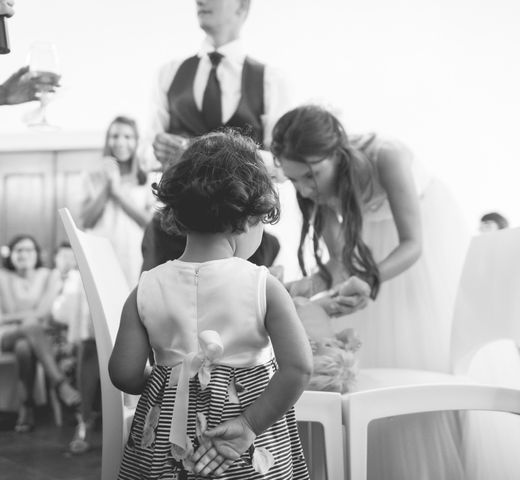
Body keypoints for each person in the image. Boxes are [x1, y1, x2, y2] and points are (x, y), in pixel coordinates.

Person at [271, 105, 469, 479]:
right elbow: (341, 262)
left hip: (419, 246)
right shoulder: (316, 189)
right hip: (371, 253)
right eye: (295, 180)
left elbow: (412, 244)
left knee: (421, 349)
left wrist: (369, 278)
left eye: (311, 176)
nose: (305, 189)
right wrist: (302, 286)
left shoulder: (386, 156)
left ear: (336, 156)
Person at [109, 132, 312, 479]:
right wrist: (249, 423)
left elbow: (124, 373)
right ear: (251, 216)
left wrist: (168, 383)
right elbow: (299, 369)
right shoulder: (265, 286)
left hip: (167, 450)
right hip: (240, 449)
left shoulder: (146, 288)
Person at [140, 0, 296, 274]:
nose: (200, 1)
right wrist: (157, 151)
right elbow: (143, 155)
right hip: (174, 231)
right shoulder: (168, 74)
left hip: (242, 235)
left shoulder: (271, 80)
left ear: (241, 8)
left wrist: (197, 150)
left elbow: (284, 164)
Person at [0, 234, 80, 432]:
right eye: (18, 250)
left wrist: (18, 318)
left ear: (37, 254)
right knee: (31, 325)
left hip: (36, 338)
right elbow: (10, 314)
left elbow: (44, 312)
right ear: (11, 255)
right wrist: (27, 318)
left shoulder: (48, 275)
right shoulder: (2, 276)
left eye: (29, 249)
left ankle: (26, 408)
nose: (23, 254)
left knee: (24, 347)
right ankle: (60, 383)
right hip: (6, 335)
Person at [80, 116, 155, 288]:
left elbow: (150, 222)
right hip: (100, 253)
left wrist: (118, 193)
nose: (120, 142)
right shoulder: (91, 177)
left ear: (136, 141)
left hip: (134, 255)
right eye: (114, 136)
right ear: (108, 140)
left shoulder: (149, 178)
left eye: (128, 137)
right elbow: (86, 221)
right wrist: (108, 185)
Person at [51, 242, 99, 454]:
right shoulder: (65, 277)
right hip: (96, 256)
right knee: (88, 343)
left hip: (130, 254)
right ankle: (85, 419)